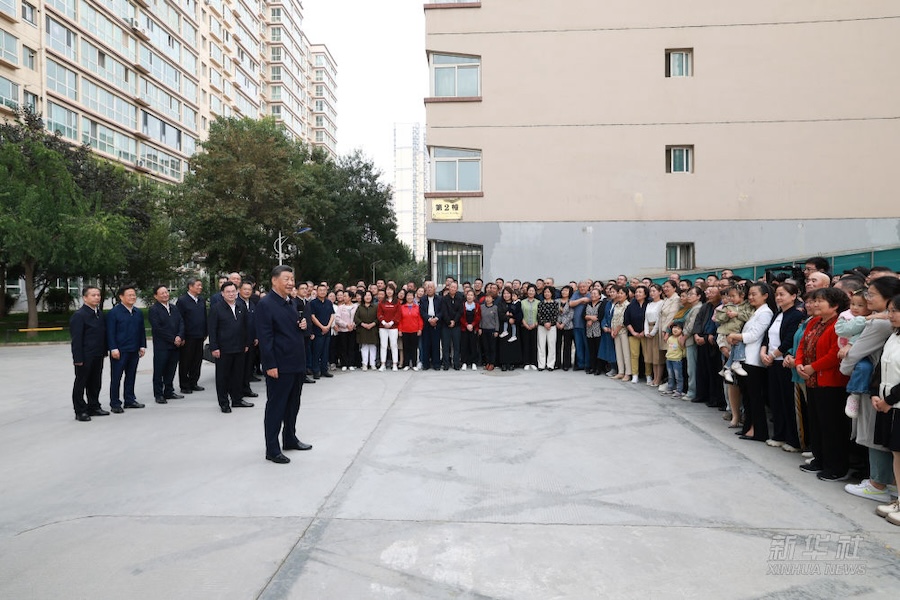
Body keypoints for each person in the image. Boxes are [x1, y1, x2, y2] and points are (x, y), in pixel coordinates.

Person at [841, 277, 900, 503]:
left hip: (878, 390)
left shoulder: (880, 324)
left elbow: (854, 354)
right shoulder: (886, 324)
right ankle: (885, 481)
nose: (867, 299)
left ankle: (878, 482)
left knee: (872, 433)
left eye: (872, 294)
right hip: (879, 387)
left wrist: (846, 367)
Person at [256, 265, 311, 464]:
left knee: (293, 404)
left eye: (292, 279)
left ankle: (289, 438)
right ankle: (272, 448)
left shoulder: (292, 302)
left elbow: (293, 329)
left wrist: (303, 326)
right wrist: (270, 365)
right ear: (274, 280)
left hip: (296, 362)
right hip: (279, 365)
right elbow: (265, 337)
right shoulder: (266, 304)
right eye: (286, 279)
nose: (290, 283)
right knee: (276, 407)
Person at [796, 287, 851, 481]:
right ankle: (819, 459)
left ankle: (836, 467)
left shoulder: (840, 325)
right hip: (812, 380)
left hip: (831, 382)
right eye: (814, 300)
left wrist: (812, 367)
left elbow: (834, 354)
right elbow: (802, 345)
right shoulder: (814, 323)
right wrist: (800, 364)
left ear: (835, 306)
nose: (815, 304)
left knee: (832, 426)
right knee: (817, 423)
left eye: (820, 301)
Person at [727, 282, 775, 442]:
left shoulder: (766, 313)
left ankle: (758, 430)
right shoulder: (755, 312)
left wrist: (736, 337)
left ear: (765, 295)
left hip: (754, 360)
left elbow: (754, 335)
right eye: (750, 294)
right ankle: (748, 427)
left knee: (755, 397)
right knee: (747, 396)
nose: (751, 297)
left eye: (755, 294)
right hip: (745, 358)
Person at [760, 282, 804, 449]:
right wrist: (763, 352)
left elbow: (788, 340)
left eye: (782, 294)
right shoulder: (777, 313)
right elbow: (767, 336)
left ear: (793, 296)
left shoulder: (795, 315)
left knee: (788, 402)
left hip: (784, 363)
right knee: (775, 400)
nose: (778, 297)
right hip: (771, 363)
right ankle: (779, 435)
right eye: (777, 294)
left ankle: (793, 439)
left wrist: (772, 355)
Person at [872, 294, 900, 524]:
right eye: (889, 310)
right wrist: (875, 393)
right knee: (896, 452)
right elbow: (881, 367)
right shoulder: (893, 336)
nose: (890, 315)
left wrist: (889, 399)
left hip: (895, 402)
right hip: (888, 403)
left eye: (895, 311)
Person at [208, 281, 252, 413]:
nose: (231, 294)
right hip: (223, 349)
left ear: (237, 292)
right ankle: (224, 403)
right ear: (222, 294)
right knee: (223, 377)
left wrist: (246, 343)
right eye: (228, 292)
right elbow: (212, 329)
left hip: (239, 347)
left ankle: (237, 399)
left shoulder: (241, 306)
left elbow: (245, 327)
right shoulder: (216, 308)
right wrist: (214, 347)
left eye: (233, 291)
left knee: (238, 375)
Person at [70, 286, 109, 421]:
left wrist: (104, 351)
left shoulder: (99, 314)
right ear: (85, 298)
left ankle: (94, 406)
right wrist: (78, 358)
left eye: (98, 295)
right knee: (81, 383)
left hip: (98, 354)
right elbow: (76, 339)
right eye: (93, 295)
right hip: (85, 356)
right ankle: (80, 410)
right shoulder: (79, 315)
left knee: (95, 382)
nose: (97, 297)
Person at [106, 285, 147, 413]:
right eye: (129, 295)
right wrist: (113, 348)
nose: (132, 297)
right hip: (120, 351)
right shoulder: (114, 313)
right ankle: (115, 403)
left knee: (131, 376)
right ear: (121, 297)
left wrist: (142, 345)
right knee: (116, 377)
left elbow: (141, 331)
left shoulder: (137, 312)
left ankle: (129, 400)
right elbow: (110, 332)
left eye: (134, 295)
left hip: (134, 349)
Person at [836, 290, 873, 418]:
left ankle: (855, 394)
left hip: (866, 352)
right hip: (848, 354)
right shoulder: (846, 316)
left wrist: (851, 343)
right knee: (863, 367)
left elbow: (862, 334)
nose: (855, 308)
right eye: (852, 304)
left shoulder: (874, 317)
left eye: (860, 305)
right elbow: (842, 330)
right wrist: (865, 319)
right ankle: (854, 394)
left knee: (864, 368)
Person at [148, 285, 185, 404]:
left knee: (171, 369)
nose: (165, 295)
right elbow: (158, 329)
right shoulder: (154, 310)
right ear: (156, 296)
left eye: (166, 292)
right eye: (162, 293)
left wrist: (180, 336)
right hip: (162, 346)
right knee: (159, 371)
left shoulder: (174, 308)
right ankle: (158, 394)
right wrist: (173, 338)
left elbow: (181, 322)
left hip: (175, 345)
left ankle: (169, 391)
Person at [714, 284, 754, 382]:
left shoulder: (747, 306)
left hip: (737, 333)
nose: (731, 298)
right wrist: (727, 316)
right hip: (724, 334)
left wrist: (737, 314)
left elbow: (750, 316)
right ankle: (730, 366)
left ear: (742, 295)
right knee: (727, 353)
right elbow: (718, 318)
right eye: (729, 296)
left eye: (733, 296)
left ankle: (728, 368)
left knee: (734, 350)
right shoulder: (727, 306)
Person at [177, 277, 207, 394]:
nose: (200, 287)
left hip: (199, 335)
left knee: (197, 360)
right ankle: (184, 385)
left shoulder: (201, 300)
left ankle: (194, 382)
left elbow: (204, 317)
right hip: (188, 336)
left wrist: (205, 332)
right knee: (186, 361)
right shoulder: (182, 301)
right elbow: (180, 320)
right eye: (198, 285)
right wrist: (182, 336)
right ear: (190, 286)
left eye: (201, 285)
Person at [238, 281, 260, 399]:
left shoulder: (252, 304)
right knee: (239, 368)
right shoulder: (236, 304)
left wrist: (256, 336)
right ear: (239, 290)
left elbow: (255, 322)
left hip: (251, 340)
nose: (247, 291)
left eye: (249, 289)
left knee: (248, 366)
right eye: (245, 289)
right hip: (240, 342)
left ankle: (246, 388)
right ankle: (238, 390)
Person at [624, 285, 650, 383]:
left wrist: (644, 331)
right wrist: (633, 332)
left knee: (646, 355)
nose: (637, 294)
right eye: (636, 292)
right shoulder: (630, 306)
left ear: (645, 294)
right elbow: (626, 321)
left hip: (646, 334)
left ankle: (648, 375)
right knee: (634, 355)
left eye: (640, 292)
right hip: (633, 334)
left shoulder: (649, 304)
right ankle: (635, 374)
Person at [308, 283, 335, 378]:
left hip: (327, 331)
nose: (322, 292)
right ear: (317, 291)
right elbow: (312, 317)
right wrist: (322, 327)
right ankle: (316, 371)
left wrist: (327, 326)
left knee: (325, 351)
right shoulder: (313, 303)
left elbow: (332, 315)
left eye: (324, 290)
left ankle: (324, 370)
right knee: (316, 351)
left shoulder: (328, 302)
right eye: (320, 290)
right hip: (317, 331)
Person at [496, 287, 523, 371]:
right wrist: (508, 319)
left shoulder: (515, 303)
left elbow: (520, 314)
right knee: (503, 345)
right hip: (504, 327)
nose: (506, 295)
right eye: (504, 293)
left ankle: (512, 363)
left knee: (512, 345)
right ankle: (503, 363)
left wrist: (514, 319)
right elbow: (500, 314)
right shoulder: (500, 303)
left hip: (513, 327)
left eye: (508, 293)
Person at [419, 281, 443, 370]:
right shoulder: (423, 299)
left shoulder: (440, 299)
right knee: (426, 344)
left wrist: (436, 318)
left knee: (436, 344)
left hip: (437, 322)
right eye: (428, 287)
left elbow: (442, 311)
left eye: (431, 287)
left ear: (435, 289)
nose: (429, 289)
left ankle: (436, 364)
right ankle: (426, 364)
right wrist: (429, 319)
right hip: (426, 323)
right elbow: (422, 311)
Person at [441, 281, 464, 370]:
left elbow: (460, 311)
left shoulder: (459, 298)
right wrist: (449, 322)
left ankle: (456, 364)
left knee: (456, 346)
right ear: (448, 288)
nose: (453, 289)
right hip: (446, 325)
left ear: (457, 289)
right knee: (445, 346)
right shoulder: (444, 299)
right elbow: (444, 311)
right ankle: (446, 364)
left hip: (456, 325)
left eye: (455, 287)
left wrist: (454, 321)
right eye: (451, 287)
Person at [377, 284, 401, 371]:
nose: (389, 291)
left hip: (393, 327)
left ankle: (395, 363)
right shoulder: (382, 302)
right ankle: (383, 363)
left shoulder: (397, 302)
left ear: (393, 291)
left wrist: (391, 323)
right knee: (383, 345)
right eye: (387, 290)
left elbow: (398, 314)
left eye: (391, 290)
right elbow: (379, 314)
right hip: (382, 327)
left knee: (394, 345)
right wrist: (383, 322)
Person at [644, 284, 664, 386]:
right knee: (651, 356)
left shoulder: (662, 303)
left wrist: (653, 332)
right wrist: (646, 331)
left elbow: (659, 319)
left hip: (657, 330)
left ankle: (658, 379)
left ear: (660, 292)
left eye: (654, 291)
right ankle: (654, 377)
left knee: (658, 357)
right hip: (649, 329)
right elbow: (646, 319)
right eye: (651, 291)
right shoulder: (649, 304)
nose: (652, 293)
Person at [399, 288, 423, 370]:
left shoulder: (417, 307)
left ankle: (414, 364)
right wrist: (400, 330)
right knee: (406, 348)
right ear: (406, 297)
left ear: (414, 297)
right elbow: (400, 319)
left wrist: (420, 329)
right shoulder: (402, 307)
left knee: (414, 348)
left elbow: (420, 319)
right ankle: (406, 364)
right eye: (408, 296)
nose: (409, 297)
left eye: (411, 296)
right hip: (405, 330)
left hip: (414, 330)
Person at [354, 290, 379, 370]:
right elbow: (356, 318)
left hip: (373, 329)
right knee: (364, 347)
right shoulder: (360, 307)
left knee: (373, 347)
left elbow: (378, 318)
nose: (367, 297)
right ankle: (364, 364)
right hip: (363, 329)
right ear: (363, 297)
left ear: (372, 297)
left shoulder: (375, 307)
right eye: (366, 296)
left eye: (369, 295)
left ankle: (372, 364)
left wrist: (373, 324)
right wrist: (362, 324)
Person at [536, 286, 558, 371]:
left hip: (552, 327)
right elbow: (539, 315)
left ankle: (550, 364)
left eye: (548, 292)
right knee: (541, 345)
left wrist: (550, 323)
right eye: (545, 292)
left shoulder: (555, 303)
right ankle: (541, 364)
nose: (547, 294)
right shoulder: (540, 303)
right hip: (542, 326)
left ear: (552, 293)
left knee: (551, 345)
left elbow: (556, 315)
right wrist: (544, 323)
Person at [460, 289, 481, 370]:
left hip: (473, 328)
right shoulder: (463, 305)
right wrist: (466, 325)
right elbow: (461, 317)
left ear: (474, 297)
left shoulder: (477, 306)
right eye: (468, 295)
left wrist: (472, 325)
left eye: (471, 295)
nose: (469, 297)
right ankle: (464, 362)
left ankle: (473, 362)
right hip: (464, 328)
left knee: (473, 345)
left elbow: (478, 317)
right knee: (464, 345)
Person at [664, 321, 686, 398]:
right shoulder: (670, 338)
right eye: (674, 327)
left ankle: (679, 390)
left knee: (678, 376)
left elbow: (683, 350)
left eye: (678, 328)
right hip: (669, 359)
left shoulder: (680, 339)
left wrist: (681, 356)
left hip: (677, 360)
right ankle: (670, 388)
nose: (675, 329)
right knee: (670, 375)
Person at [520, 284, 539, 370]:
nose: (531, 292)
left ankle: (533, 362)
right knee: (526, 344)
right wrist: (525, 324)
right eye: (529, 290)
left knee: (534, 344)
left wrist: (535, 323)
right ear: (527, 291)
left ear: (535, 292)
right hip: (525, 326)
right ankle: (526, 362)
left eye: (533, 291)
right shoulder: (522, 302)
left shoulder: (538, 302)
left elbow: (540, 315)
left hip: (535, 326)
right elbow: (520, 314)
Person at [556, 285, 575, 371]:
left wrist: (563, 323)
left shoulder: (571, 302)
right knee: (557, 344)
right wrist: (557, 322)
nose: (564, 292)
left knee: (567, 345)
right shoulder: (556, 301)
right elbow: (553, 313)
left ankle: (566, 364)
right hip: (557, 325)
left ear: (570, 292)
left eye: (566, 291)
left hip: (568, 326)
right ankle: (557, 363)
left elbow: (571, 314)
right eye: (563, 290)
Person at [480, 292, 499, 370]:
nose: (487, 299)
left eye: (489, 297)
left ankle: (492, 363)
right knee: (486, 347)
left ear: (493, 299)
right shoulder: (481, 307)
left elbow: (497, 320)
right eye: (486, 297)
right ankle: (487, 362)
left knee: (492, 347)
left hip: (492, 330)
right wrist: (480, 328)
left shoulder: (495, 308)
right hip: (484, 329)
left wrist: (496, 330)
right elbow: (480, 318)